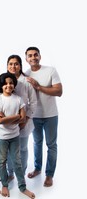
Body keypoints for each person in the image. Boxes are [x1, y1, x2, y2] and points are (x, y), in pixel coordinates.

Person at [0, 72, 35, 199]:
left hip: (15, 135)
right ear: (1, 85)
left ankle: (22, 187)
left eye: (11, 83)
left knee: (17, 162)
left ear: (14, 85)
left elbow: (23, 119)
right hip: (2, 137)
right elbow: (0, 121)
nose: (8, 85)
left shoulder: (18, 99)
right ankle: (4, 185)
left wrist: (8, 118)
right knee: (2, 161)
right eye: (5, 83)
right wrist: (16, 116)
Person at [25, 46, 63, 187]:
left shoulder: (50, 70)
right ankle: (37, 168)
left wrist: (39, 87)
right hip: (35, 115)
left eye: (36, 55)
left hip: (51, 115)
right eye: (30, 55)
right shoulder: (26, 74)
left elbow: (59, 91)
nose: (33, 57)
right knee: (36, 143)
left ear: (40, 56)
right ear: (26, 59)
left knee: (51, 145)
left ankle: (49, 175)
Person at [6, 55, 37, 181]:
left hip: (24, 122)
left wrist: (26, 119)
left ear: (20, 65)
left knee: (22, 149)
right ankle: (10, 173)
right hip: (8, 123)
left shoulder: (26, 82)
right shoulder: (4, 80)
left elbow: (33, 102)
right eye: (11, 64)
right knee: (9, 150)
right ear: (7, 66)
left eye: (16, 64)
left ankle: (22, 174)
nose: (13, 66)